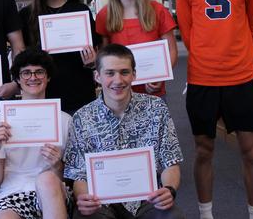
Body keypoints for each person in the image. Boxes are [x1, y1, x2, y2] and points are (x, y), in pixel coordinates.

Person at [176, 0, 253, 219]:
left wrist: (238, 54)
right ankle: (206, 213)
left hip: (241, 79)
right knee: (203, 150)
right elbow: (187, 31)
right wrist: (208, 54)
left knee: (251, 151)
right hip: (202, 80)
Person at [64, 44, 184, 219]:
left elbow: (170, 161)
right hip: (101, 201)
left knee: (172, 216)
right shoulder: (82, 118)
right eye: (110, 73)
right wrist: (84, 197)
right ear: (97, 76)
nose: (118, 80)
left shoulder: (156, 109)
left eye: (124, 72)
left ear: (134, 75)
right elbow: (78, 173)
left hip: (148, 198)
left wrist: (169, 189)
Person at [0, 48, 72, 219]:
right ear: (17, 79)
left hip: (53, 193)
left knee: (47, 179)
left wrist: (57, 165)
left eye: (39, 72)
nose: (33, 77)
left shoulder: (65, 120)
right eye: (26, 73)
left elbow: (70, 178)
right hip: (11, 194)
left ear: (48, 77)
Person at [20, 0, 100, 115]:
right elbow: (22, 56)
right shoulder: (26, 15)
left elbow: (95, 51)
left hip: (78, 87)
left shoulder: (80, 11)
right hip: (42, 91)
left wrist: (92, 62)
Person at [95, 0, 177, 99]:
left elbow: (172, 50)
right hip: (118, 92)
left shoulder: (157, 11)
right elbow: (103, 55)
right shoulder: (105, 15)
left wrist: (161, 75)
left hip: (151, 90)